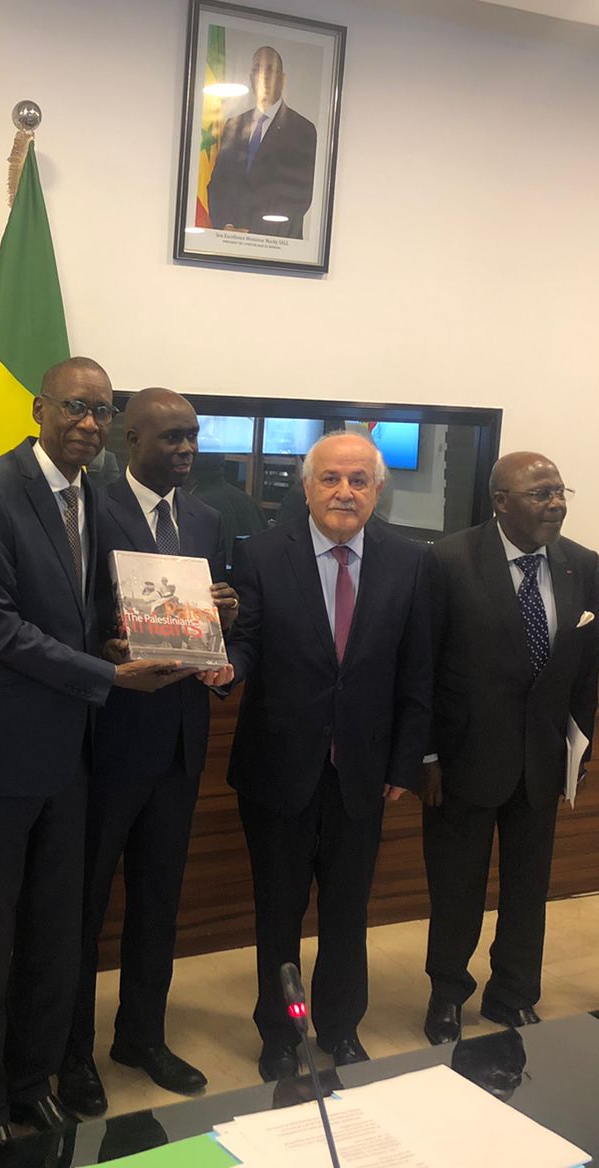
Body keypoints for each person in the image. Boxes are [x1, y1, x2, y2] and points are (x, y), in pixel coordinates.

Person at [0, 357, 193, 1145]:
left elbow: (83, 614)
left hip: (74, 756)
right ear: (39, 408)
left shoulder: (93, 494)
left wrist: (129, 638)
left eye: (102, 411)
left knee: (54, 933)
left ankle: (32, 1081)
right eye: (75, 408)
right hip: (2, 757)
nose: (89, 423)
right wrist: (108, 674)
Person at [225, 431, 431, 1080]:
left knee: (348, 912)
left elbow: (417, 671)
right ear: (307, 487)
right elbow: (246, 642)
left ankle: (341, 1028)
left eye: (359, 480)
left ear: (378, 489)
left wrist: (404, 765)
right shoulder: (261, 554)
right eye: (331, 479)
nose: (345, 492)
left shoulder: (410, 560)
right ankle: (281, 1033)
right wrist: (224, 669)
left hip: (362, 774)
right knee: (277, 913)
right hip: (277, 770)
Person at [59, 388, 236, 1116]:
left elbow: (209, 623)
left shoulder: (207, 519)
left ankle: (141, 1036)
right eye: (170, 437)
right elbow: (72, 616)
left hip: (180, 743)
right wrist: (104, 645)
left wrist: (225, 617)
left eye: (192, 436)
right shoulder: (90, 509)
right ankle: (71, 1054)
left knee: (158, 903)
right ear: (129, 440)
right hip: (109, 738)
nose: (186, 448)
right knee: (85, 907)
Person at [417, 452, 599, 1044]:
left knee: (529, 886)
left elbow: (586, 669)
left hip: (543, 758)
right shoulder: (448, 559)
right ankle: (448, 994)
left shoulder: (580, 563)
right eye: (541, 493)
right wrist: (426, 756)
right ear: (501, 501)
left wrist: (579, 747)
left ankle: (515, 993)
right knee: (457, 888)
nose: (556, 504)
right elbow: (421, 665)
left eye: (560, 491)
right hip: (463, 758)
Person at [206, 46, 319, 240]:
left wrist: (252, 234)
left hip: (275, 243)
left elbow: (299, 197)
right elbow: (218, 184)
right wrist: (227, 225)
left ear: (282, 79)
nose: (263, 76)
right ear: (251, 78)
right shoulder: (233, 125)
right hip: (228, 239)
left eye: (270, 69)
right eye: (257, 69)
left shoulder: (302, 129)